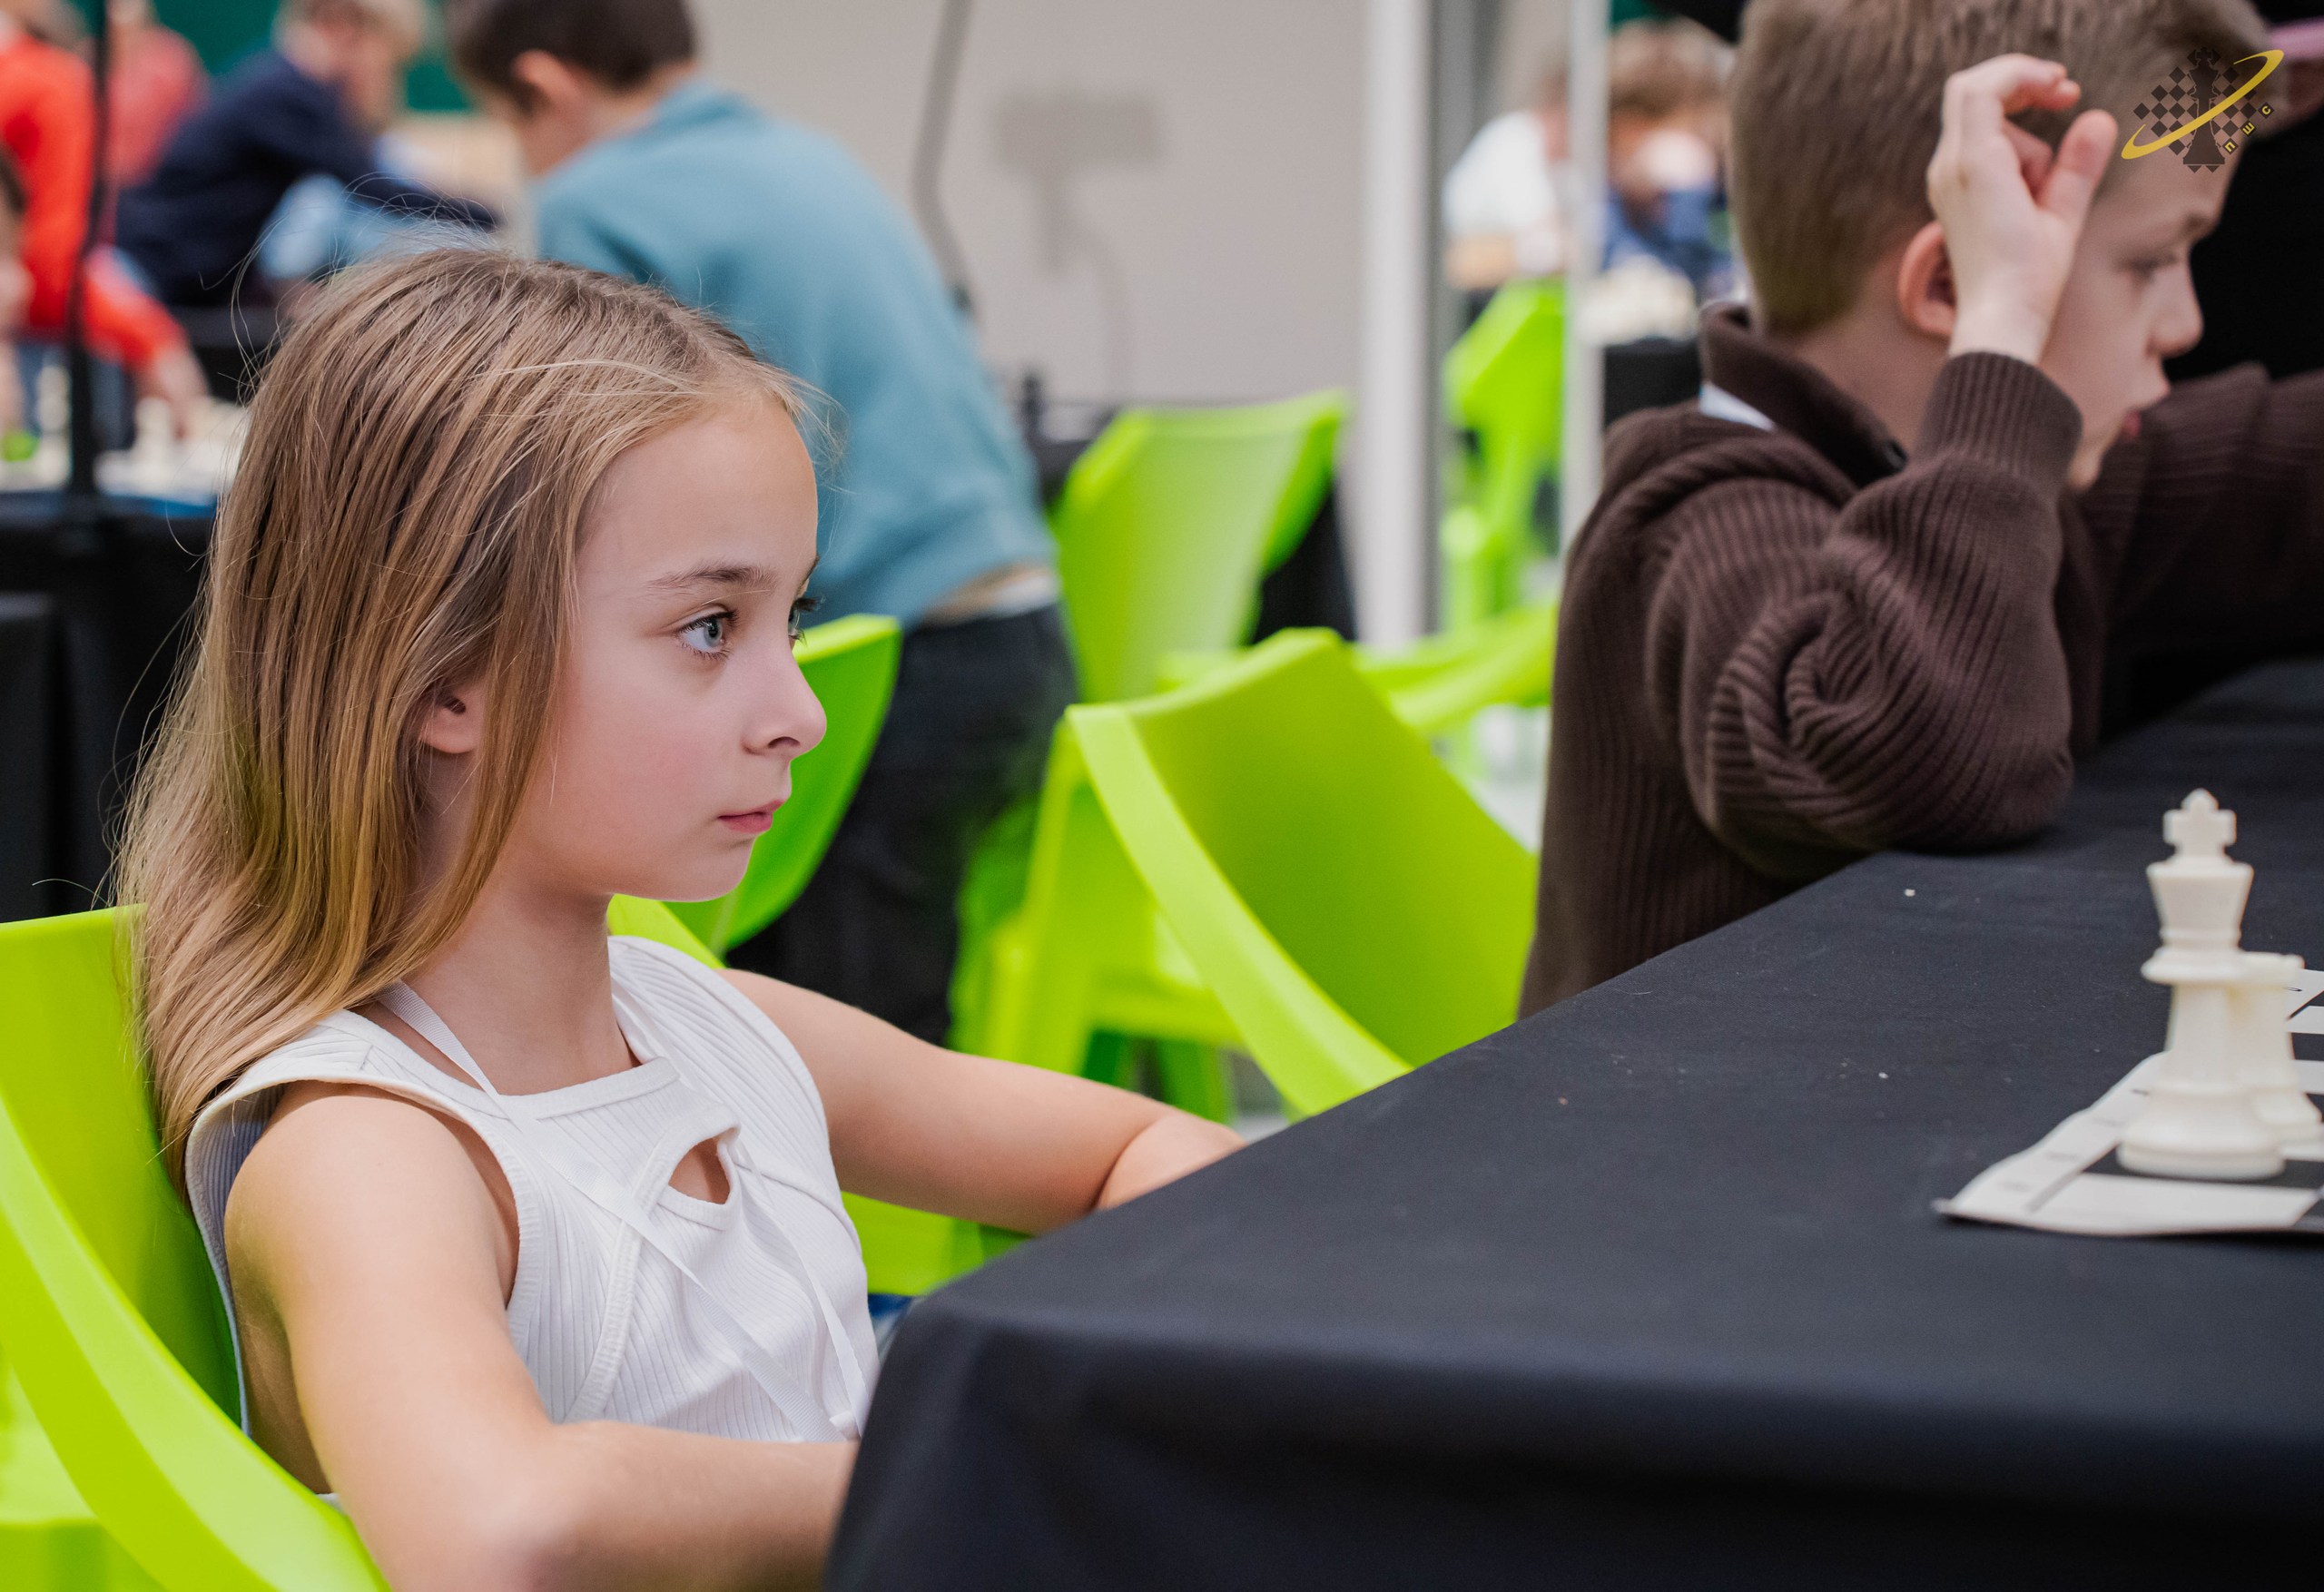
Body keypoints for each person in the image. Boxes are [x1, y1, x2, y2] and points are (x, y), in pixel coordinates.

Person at [120, 249, 1239, 1589]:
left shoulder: (708, 1022)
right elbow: (500, 1530)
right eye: (710, 627)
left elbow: (1138, 1149)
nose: (800, 712)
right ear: (447, 678)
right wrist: (977, 1462)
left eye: (789, 617)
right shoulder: (369, 1148)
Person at [1524, 0, 2324, 1012]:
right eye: (2152, 260)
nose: (2186, 322)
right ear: (1950, 282)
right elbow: (1928, 755)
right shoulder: (1695, 521)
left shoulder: (2024, 491)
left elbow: (2284, 470)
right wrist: (2002, 345)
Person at [446, 0, 1074, 1046]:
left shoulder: (596, 196)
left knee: (845, 1027)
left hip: (901, 660)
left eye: (511, 122)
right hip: (1015, 633)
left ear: (546, 89)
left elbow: (590, 478)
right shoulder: (807, 155)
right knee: (893, 1004)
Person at [118, 0, 496, 311]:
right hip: (147, 276)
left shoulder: (280, 86)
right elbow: (371, 185)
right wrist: (482, 214)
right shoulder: (290, 95)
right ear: (344, 26)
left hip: (164, 275)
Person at [0, 0, 206, 426]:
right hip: (60, 291)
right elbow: (52, 262)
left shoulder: (53, 74)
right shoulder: (51, 80)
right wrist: (151, 338)